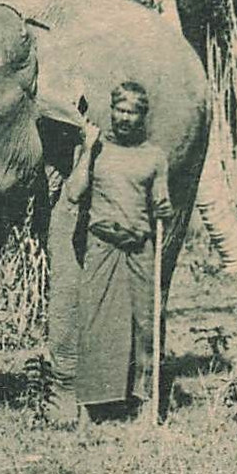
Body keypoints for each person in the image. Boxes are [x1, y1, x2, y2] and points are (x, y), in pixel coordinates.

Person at [62, 81, 174, 417]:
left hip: (139, 246)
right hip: (101, 246)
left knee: (145, 322)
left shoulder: (154, 157)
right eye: (119, 110)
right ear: (111, 110)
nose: (124, 118)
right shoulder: (95, 149)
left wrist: (164, 209)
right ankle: (90, 406)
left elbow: (160, 202)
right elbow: (72, 193)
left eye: (132, 112)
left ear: (142, 116)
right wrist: (86, 149)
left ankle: (144, 402)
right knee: (95, 321)